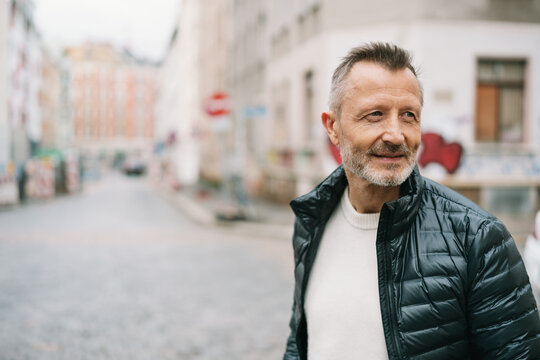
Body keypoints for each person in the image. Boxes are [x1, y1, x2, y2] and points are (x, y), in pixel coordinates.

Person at [283, 42, 540, 360]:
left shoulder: (478, 238)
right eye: (375, 115)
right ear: (333, 127)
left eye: (408, 116)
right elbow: (301, 340)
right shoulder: (311, 221)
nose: (395, 134)